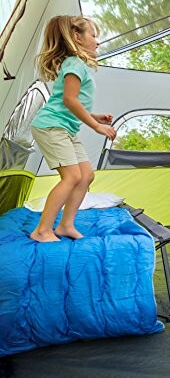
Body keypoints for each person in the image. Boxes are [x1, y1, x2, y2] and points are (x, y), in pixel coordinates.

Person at [30, 15, 116, 242]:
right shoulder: (74, 63)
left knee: (86, 175)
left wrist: (95, 115)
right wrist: (96, 125)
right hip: (51, 126)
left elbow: (71, 100)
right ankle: (42, 230)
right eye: (93, 35)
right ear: (77, 37)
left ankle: (66, 225)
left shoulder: (80, 65)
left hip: (65, 128)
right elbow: (69, 100)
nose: (97, 41)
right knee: (71, 177)